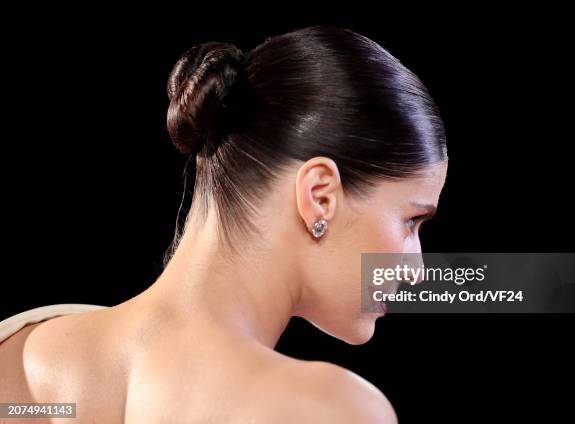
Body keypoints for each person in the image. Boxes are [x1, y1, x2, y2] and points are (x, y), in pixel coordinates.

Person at [0, 25, 447, 423]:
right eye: (411, 220)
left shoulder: (17, 361)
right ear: (319, 195)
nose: (418, 268)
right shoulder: (329, 410)